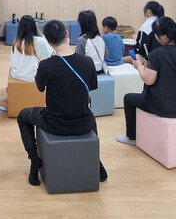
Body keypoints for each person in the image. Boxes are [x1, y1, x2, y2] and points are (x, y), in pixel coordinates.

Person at [17, 19, 108, 187]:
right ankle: (96, 161)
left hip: (54, 123)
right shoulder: (87, 62)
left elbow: (40, 88)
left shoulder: (46, 65)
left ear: (48, 42)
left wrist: (42, 67)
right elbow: (92, 87)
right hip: (83, 123)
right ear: (67, 34)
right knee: (91, 116)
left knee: (23, 115)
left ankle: (34, 160)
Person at [116, 17, 176, 144]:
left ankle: (132, 137)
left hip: (164, 106)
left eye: (156, 35)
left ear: (163, 36)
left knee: (128, 99)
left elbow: (148, 80)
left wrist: (139, 66)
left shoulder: (157, 53)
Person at [9, 15, 53, 82]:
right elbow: (53, 55)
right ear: (34, 27)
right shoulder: (40, 41)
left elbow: (12, 63)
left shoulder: (16, 42)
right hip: (34, 77)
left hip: (16, 75)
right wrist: (45, 40)